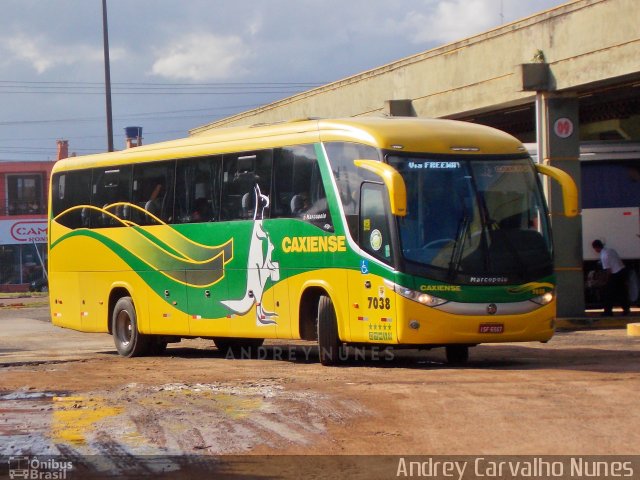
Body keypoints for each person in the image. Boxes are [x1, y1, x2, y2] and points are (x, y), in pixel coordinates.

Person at [591, 239, 630, 316]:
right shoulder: (611, 250)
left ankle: (608, 311)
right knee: (622, 292)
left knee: (608, 293)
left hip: (615, 273)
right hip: (622, 271)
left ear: (596, 248)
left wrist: (605, 281)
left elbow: (608, 270)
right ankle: (626, 309)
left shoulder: (603, 255)